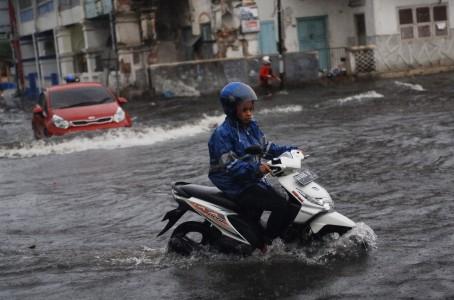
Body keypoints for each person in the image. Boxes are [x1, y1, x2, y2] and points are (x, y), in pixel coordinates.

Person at [208, 82, 298, 245]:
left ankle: (275, 236)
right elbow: (231, 167)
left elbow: (267, 147)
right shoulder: (222, 134)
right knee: (280, 205)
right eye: (244, 110)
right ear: (232, 109)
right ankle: (268, 243)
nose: (249, 114)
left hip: (252, 179)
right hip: (236, 185)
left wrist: (292, 150)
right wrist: (259, 169)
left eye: (251, 109)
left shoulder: (251, 126)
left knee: (288, 198)